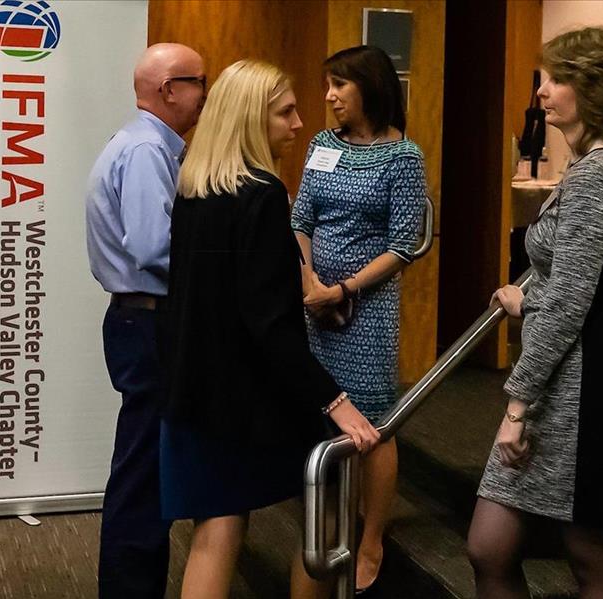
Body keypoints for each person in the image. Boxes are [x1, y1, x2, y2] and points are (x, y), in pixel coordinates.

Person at [158, 59, 380, 599]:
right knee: (321, 509)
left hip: (193, 391)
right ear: (251, 119)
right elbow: (270, 323)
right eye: (285, 113)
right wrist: (335, 401)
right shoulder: (259, 194)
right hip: (242, 401)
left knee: (215, 530)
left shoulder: (196, 186)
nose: (300, 123)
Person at [467, 26, 603, 598]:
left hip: (595, 376)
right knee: (488, 546)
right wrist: (534, 295)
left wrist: (516, 405)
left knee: (591, 554)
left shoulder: (601, 173)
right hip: (566, 364)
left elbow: (578, 299)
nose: (542, 93)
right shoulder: (588, 169)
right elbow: (576, 283)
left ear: (593, 90)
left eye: (556, 79)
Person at [290, 45, 427, 594]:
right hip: (313, 306)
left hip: (366, 312)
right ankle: (324, 519)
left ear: (367, 88)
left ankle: (372, 538)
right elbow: (301, 218)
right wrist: (310, 285)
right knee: (318, 411)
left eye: (338, 86)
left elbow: (405, 244)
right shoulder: (323, 145)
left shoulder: (404, 157)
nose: (328, 96)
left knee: (373, 422)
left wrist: (343, 288)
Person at [85, 42, 206, 598]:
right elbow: (156, 248)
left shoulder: (147, 145)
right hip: (148, 325)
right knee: (142, 476)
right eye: (199, 81)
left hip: (142, 322)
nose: (207, 94)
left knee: (144, 470)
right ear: (169, 90)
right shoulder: (146, 152)